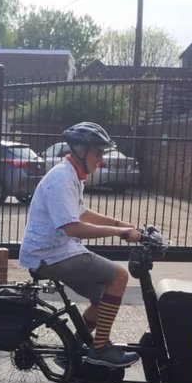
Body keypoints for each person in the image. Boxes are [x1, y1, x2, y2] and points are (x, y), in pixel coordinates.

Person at [19, 122, 143, 368]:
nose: (101, 159)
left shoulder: (73, 176)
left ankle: (73, 349)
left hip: (60, 251)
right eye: (98, 153)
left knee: (107, 294)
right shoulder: (61, 179)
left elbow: (81, 213)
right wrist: (119, 231)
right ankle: (101, 347)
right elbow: (73, 227)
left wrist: (122, 223)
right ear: (80, 150)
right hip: (49, 255)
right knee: (118, 277)